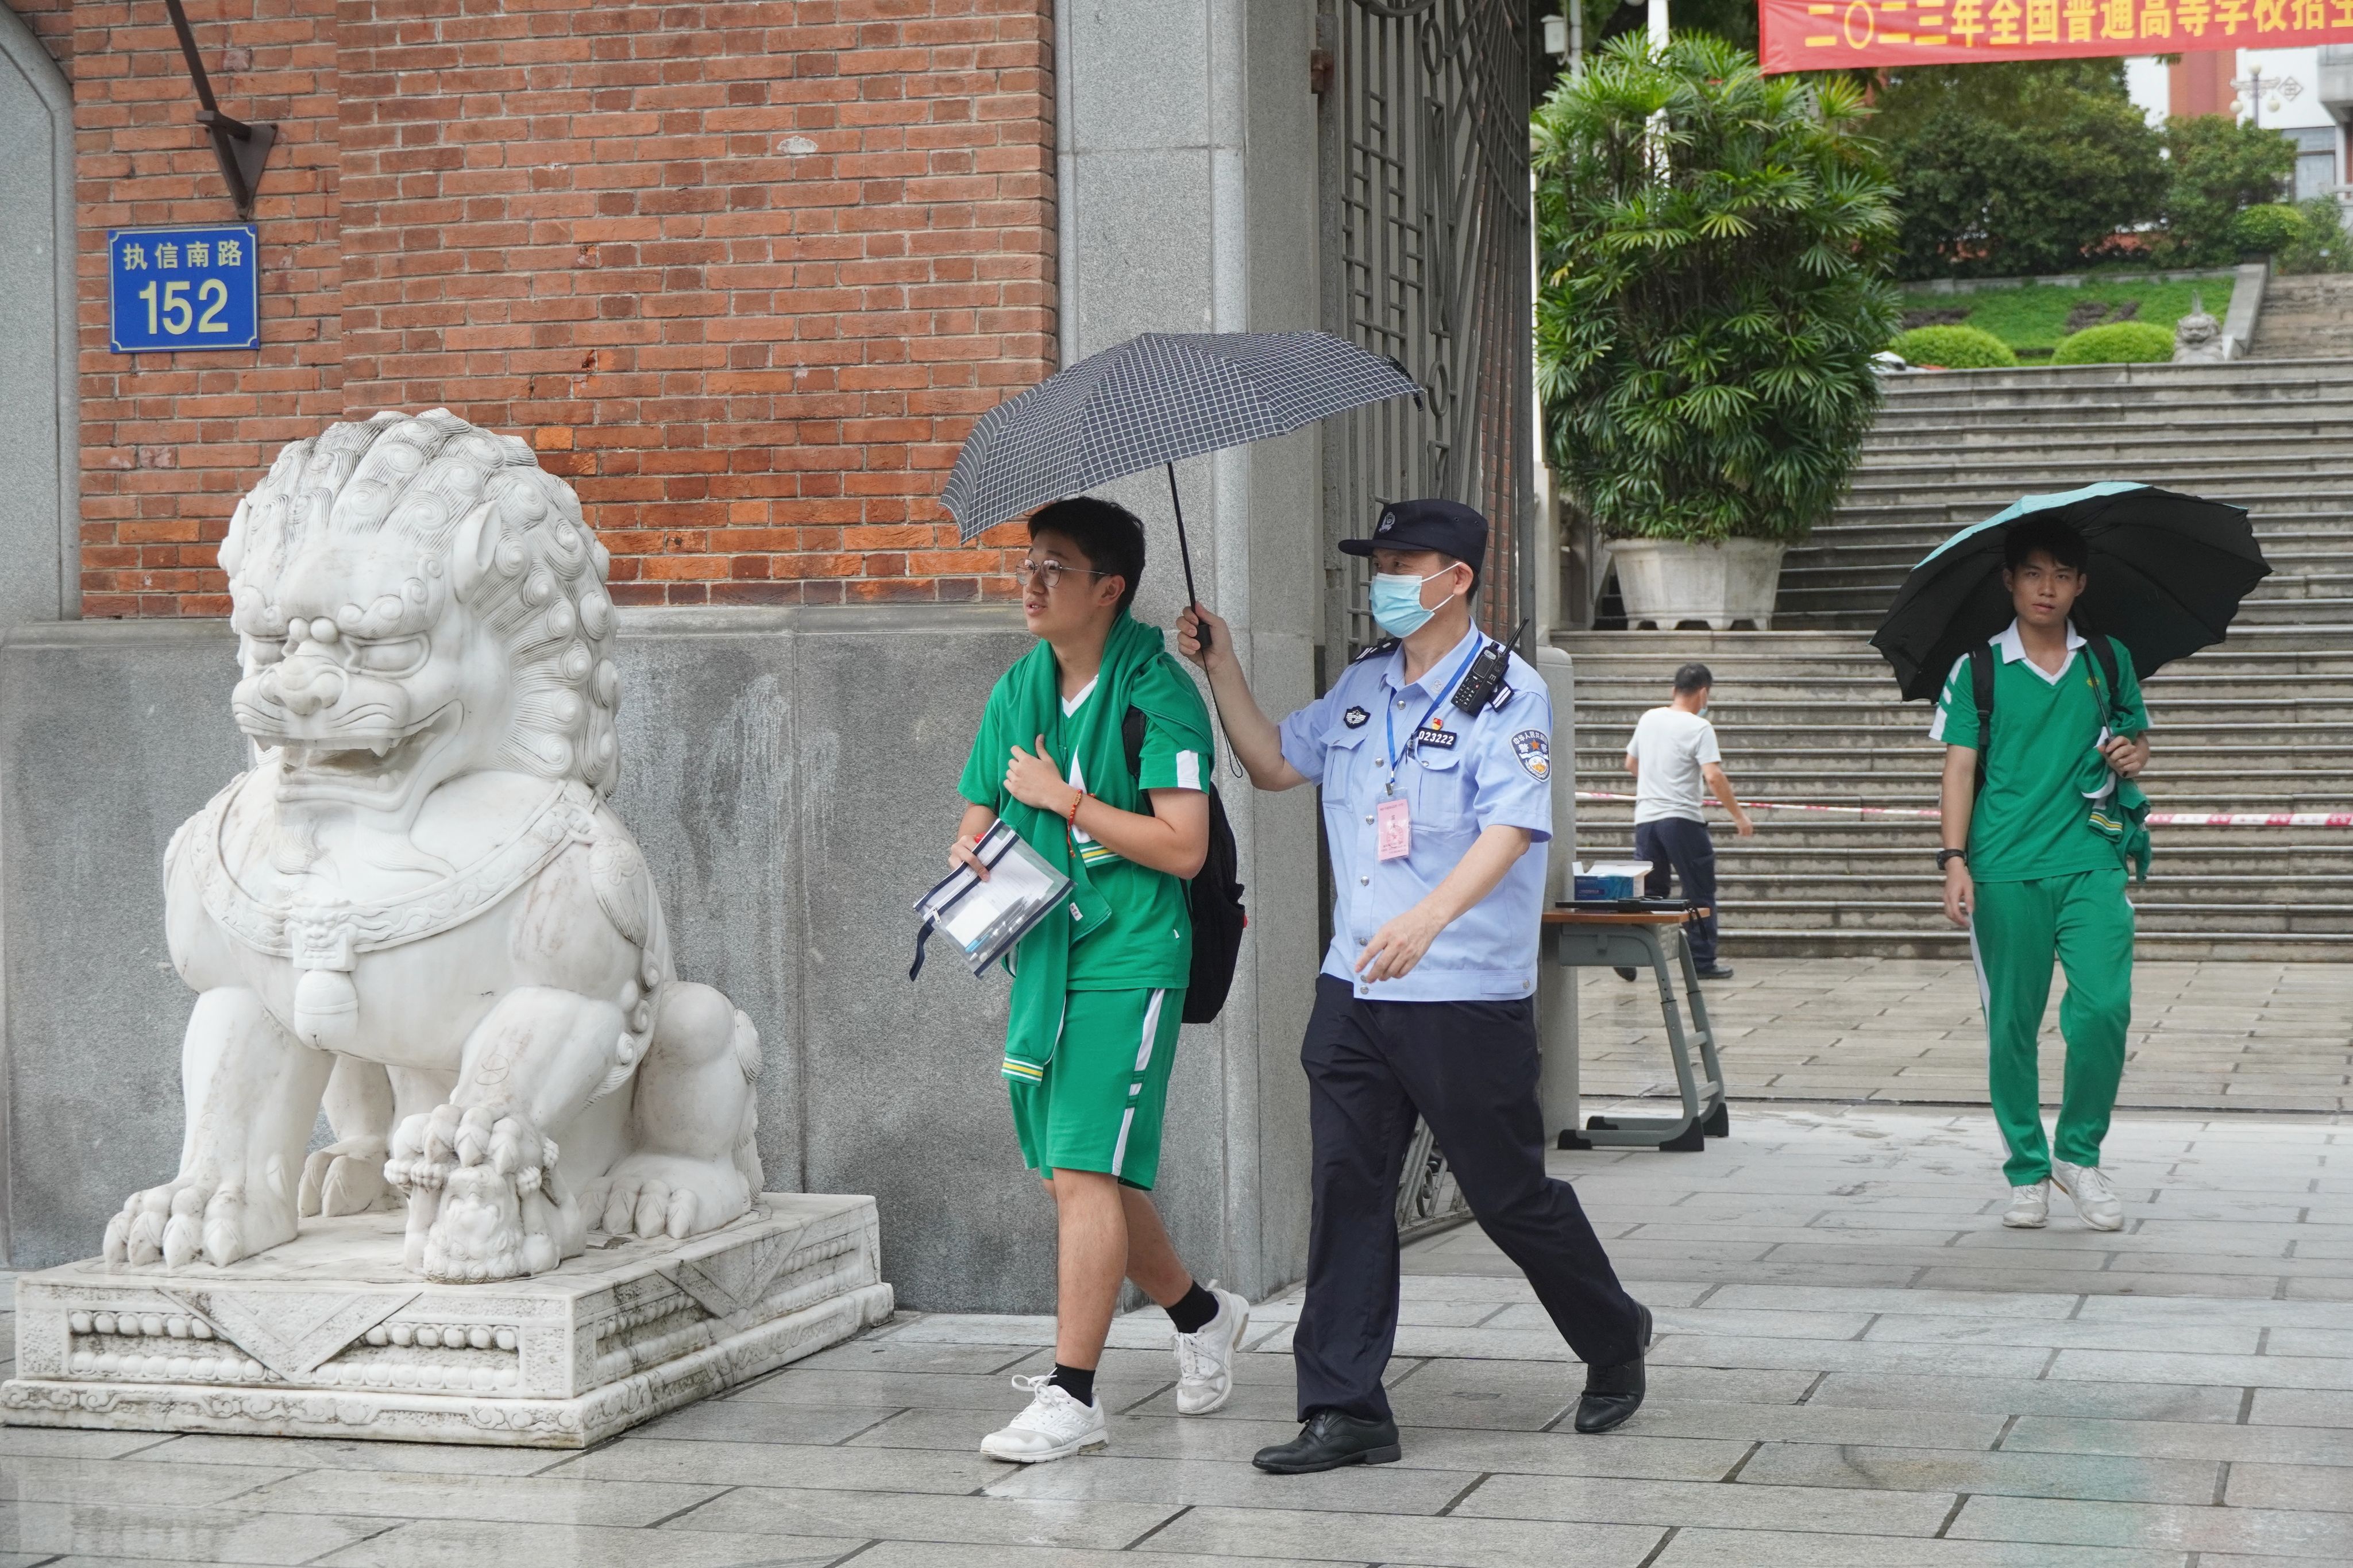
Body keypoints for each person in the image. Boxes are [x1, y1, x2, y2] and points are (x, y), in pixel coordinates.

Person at [1178, 497, 1652, 1475]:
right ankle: (1345, 1405)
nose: (1383, 576)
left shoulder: (1507, 692)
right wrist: (1219, 662)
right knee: (1348, 1191)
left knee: (1506, 1192)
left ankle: (1613, 1337)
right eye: (1378, 559)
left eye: (1403, 560)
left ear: (1458, 578)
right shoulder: (1362, 688)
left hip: (1462, 990)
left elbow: (1512, 829)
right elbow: (1270, 763)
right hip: (1355, 990)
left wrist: (1428, 918)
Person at [950, 497, 1250, 1463]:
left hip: (1131, 957)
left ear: (1109, 589)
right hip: (1045, 954)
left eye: (1055, 568)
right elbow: (973, 817)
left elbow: (1185, 846)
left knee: (1084, 1170)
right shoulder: (1019, 689)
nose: (1030, 584)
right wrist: (976, 856)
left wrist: (1065, 800)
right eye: (1028, 564)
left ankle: (1073, 1395)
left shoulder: (1156, 696)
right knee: (1077, 1171)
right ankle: (1202, 1315)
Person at [1933, 515, 2151, 1234]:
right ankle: (2027, 1171)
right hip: (2003, 869)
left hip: (2091, 861)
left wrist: (2131, 755)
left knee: (2102, 1010)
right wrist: (1954, 861)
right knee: (2012, 1027)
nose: (2047, 588)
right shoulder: (1979, 669)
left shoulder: (2108, 660)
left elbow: (2135, 739)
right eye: (2033, 573)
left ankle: (2078, 1157)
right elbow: (1959, 769)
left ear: (2081, 584)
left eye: (2061, 575)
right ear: (2009, 581)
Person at [1621, 663, 1752, 980]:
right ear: (1704, 693)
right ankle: (1702, 962)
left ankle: (1627, 949)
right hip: (1682, 820)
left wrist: (1658, 785)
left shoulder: (1649, 718)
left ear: (1674, 690)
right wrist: (1739, 816)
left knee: (1651, 892)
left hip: (1647, 820)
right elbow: (1713, 775)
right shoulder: (1699, 727)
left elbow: (1631, 763)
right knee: (1699, 891)